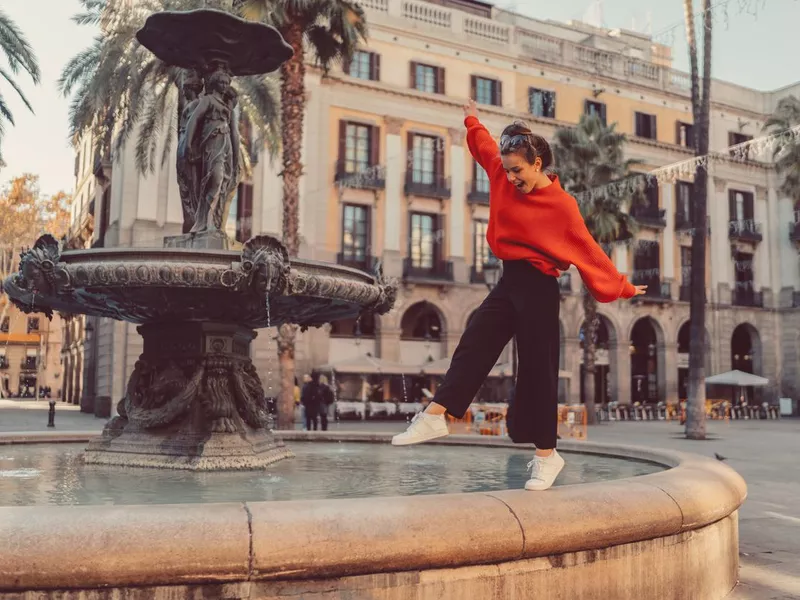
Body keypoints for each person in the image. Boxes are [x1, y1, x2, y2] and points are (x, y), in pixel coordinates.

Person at [391, 99, 647, 491]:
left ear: (539, 165)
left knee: (537, 371)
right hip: (509, 279)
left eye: (518, 171)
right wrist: (471, 119)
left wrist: (623, 285)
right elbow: (482, 145)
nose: (511, 178)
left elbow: (589, 251)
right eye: (508, 170)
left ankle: (547, 456)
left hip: (541, 288)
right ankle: (436, 415)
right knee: (475, 339)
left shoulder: (563, 205)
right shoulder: (500, 170)